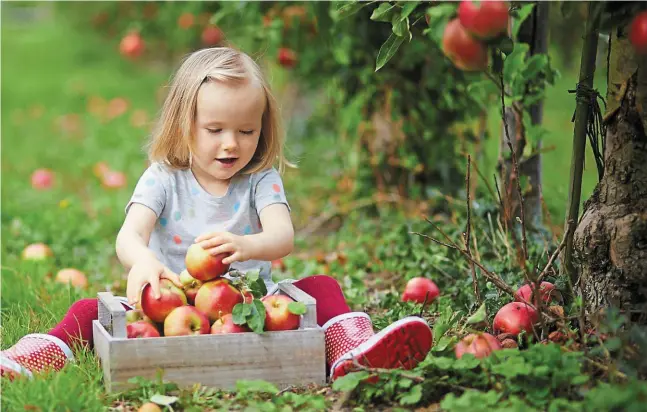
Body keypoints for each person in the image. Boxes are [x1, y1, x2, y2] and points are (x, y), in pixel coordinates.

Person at [1, 47, 432, 382]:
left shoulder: (260, 180)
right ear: (183, 125)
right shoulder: (164, 178)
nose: (232, 144)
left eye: (247, 131)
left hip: (252, 310)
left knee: (320, 287)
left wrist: (246, 244)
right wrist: (146, 261)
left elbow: (283, 236)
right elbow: (129, 236)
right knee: (87, 309)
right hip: (167, 308)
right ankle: (36, 355)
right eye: (215, 130)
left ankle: (349, 350)